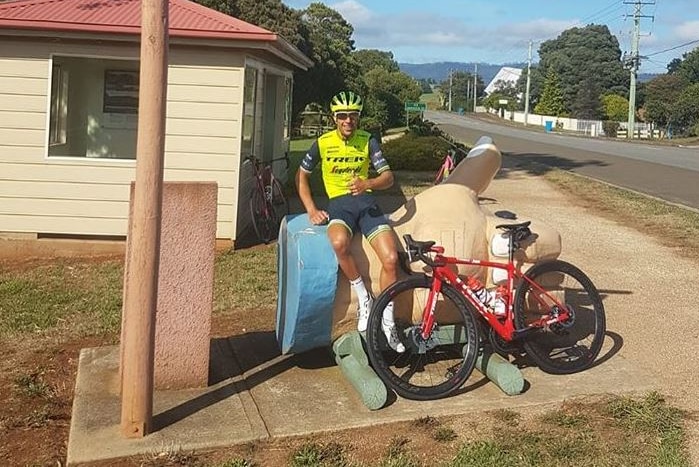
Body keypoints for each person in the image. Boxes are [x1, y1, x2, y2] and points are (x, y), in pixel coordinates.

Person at [295, 91, 405, 353]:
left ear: (358, 118)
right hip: (340, 206)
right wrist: (311, 209)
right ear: (334, 118)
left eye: (353, 116)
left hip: (367, 204)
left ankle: (387, 319)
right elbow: (301, 176)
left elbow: (388, 177)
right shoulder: (322, 143)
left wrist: (368, 183)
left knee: (391, 259)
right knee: (338, 242)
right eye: (342, 116)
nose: (348, 121)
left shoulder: (368, 141)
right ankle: (364, 297)